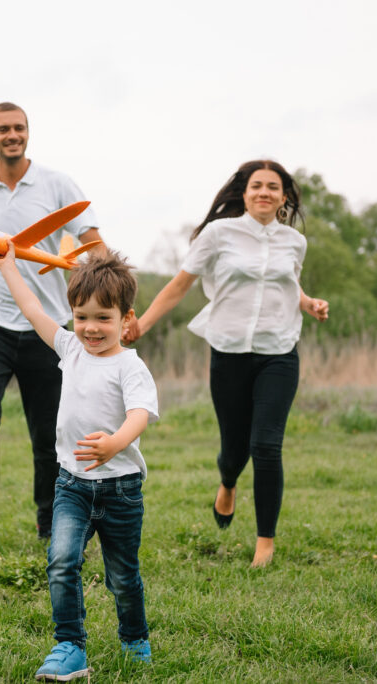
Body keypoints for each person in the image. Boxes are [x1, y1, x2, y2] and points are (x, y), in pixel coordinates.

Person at [123, 159, 329, 568]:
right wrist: (142, 324)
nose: (265, 193)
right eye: (257, 186)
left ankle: (264, 544)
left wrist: (308, 303)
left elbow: (289, 282)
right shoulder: (219, 234)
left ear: (284, 196)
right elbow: (180, 285)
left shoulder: (294, 242)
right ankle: (228, 481)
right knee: (234, 450)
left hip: (280, 351)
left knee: (266, 445)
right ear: (245, 193)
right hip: (229, 351)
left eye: (273, 187)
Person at [0, 244, 158, 680]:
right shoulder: (69, 349)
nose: (91, 328)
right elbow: (30, 308)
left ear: (127, 319)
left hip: (120, 490)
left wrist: (116, 443)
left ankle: (134, 637)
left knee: (123, 576)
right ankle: (70, 645)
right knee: (62, 560)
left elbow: (140, 413)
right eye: (82, 316)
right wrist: (8, 265)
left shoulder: (130, 366)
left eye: (104, 318)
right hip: (71, 486)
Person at [0, 102, 104, 548]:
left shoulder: (55, 183)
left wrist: (112, 288)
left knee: (49, 429)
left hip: (46, 324)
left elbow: (91, 239)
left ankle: (51, 520)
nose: (11, 135)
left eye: (19, 128)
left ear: (28, 132)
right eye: (2, 129)